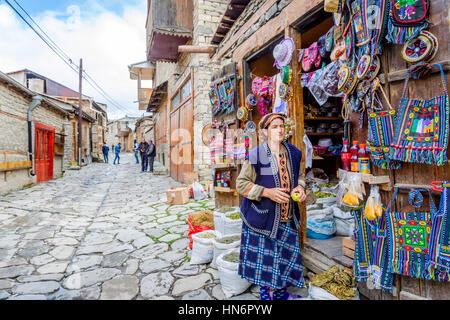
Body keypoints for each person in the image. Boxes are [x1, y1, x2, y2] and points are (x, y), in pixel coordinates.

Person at [236, 113, 307, 301]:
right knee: (266, 263)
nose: (280, 130)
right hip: (262, 218)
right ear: (265, 132)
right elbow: (241, 184)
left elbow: (300, 176)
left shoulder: (294, 153)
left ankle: (282, 295)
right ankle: (266, 297)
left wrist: (300, 186)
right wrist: (267, 192)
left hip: (287, 218)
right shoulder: (256, 155)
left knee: (284, 260)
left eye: (282, 126)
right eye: (274, 127)